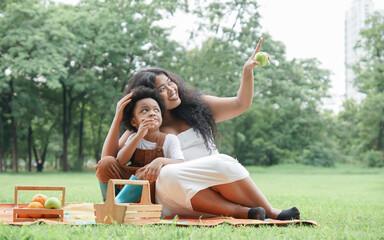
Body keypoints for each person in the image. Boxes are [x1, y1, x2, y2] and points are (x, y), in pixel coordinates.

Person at [99, 38, 300, 220]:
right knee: (168, 174)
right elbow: (108, 163)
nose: (171, 89)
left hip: (218, 184)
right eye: (162, 89)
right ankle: (242, 212)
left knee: (223, 161)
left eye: (170, 83)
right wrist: (118, 118)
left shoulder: (198, 106)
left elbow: (241, 104)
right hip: (175, 195)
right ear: (149, 96)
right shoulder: (148, 127)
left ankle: (270, 211)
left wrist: (247, 72)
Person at [95, 86, 184, 203]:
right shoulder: (133, 137)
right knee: (106, 162)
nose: (152, 113)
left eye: (156, 110)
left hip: (150, 188)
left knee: (145, 172)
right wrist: (138, 136)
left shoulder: (169, 139)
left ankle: (117, 204)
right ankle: (109, 201)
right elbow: (120, 161)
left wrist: (160, 161)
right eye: (145, 111)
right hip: (128, 183)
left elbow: (180, 162)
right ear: (134, 121)